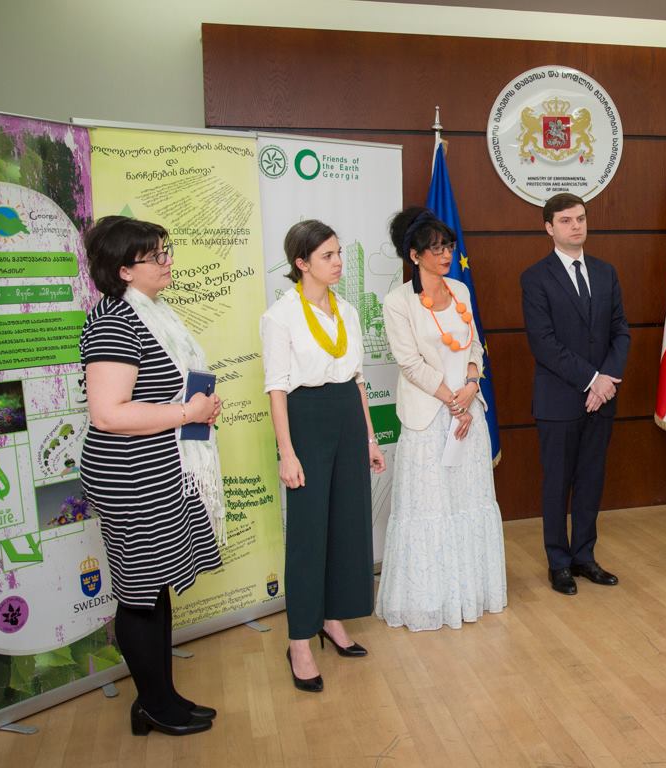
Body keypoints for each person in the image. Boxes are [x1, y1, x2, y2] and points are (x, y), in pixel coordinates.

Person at [79, 215, 224, 736]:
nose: (168, 261)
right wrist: (187, 412)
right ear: (124, 270)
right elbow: (108, 414)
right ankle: (155, 706)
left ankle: (160, 697)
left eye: (166, 250)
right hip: (131, 475)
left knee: (155, 588)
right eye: (155, 255)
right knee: (140, 594)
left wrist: (199, 408)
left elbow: (163, 392)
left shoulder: (153, 314)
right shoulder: (114, 322)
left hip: (162, 468)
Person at [260, 219, 386, 692]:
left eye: (339, 253)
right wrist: (287, 453)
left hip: (347, 417)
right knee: (309, 533)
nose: (338, 263)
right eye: (327, 256)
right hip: (307, 418)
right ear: (301, 263)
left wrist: (370, 439)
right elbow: (276, 389)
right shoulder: (280, 316)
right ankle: (299, 640)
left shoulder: (347, 310)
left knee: (348, 524)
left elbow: (357, 380)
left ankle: (333, 619)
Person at [375, 207, 506, 630]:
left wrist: (470, 386)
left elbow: (474, 345)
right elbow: (409, 362)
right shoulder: (398, 302)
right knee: (431, 507)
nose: (446, 254)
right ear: (414, 255)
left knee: (469, 502)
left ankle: (470, 594)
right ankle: (430, 601)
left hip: (468, 413)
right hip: (429, 418)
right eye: (435, 248)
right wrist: (452, 401)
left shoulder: (460, 289)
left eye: (448, 246)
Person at [520, 193, 630, 595]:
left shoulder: (605, 272)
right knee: (557, 483)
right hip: (559, 399)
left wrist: (607, 380)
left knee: (590, 480)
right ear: (549, 228)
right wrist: (593, 380)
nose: (576, 226)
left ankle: (585, 556)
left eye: (580, 218)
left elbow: (620, 331)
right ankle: (559, 563)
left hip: (602, 399)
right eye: (566, 221)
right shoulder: (535, 277)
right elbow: (544, 343)